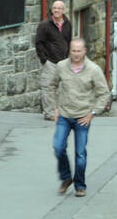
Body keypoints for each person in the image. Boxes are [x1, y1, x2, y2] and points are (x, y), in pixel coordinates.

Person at [42, 37, 109, 197]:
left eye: (79, 51)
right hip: (64, 115)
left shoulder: (93, 69)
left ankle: (80, 185)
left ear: (84, 51)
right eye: (73, 50)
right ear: (69, 51)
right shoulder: (61, 66)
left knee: (80, 154)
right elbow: (50, 86)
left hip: (82, 117)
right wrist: (54, 108)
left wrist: (93, 113)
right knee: (58, 147)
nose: (76, 54)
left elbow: (104, 93)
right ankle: (66, 178)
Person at [34, 0, 72, 67]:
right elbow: (38, 43)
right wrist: (44, 60)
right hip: (50, 64)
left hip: (64, 62)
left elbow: (69, 41)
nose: (56, 10)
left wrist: (67, 56)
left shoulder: (68, 24)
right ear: (52, 10)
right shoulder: (44, 25)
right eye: (54, 8)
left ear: (63, 10)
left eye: (59, 8)